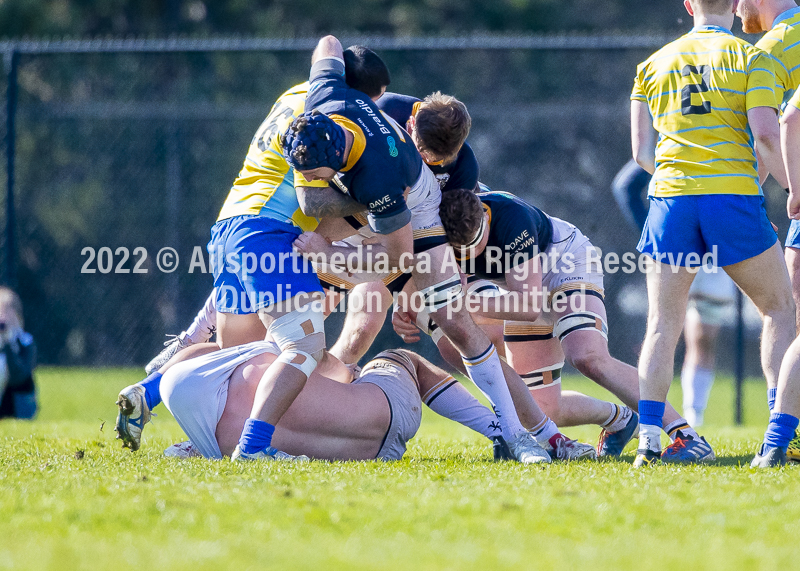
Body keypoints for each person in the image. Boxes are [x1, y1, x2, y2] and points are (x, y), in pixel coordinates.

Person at [281, 34, 554, 464]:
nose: (308, 177)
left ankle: (517, 436)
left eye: (313, 172)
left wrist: (330, 254)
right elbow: (330, 43)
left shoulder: (382, 178)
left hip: (416, 211)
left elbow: (399, 258)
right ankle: (257, 419)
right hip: (373, 201)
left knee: (454, 320)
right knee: (297, 297)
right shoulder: (328, 98)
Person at [397, 188, 706, 457]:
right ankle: (621, 419)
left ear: (485, 220)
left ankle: (685, 434)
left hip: (563, 264)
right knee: (540, 410)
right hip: (518, 286)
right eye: (458, 251)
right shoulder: (442, 221)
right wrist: (406, 303)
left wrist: (458, 299)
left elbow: (529, 307)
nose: (467, 257)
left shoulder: (512, 222)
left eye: (474, 247)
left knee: (587, 357)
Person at [630, 0, 797, 468]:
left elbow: (642, 152)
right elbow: (766, 136)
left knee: (663, 325)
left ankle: (648, 442)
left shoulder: (651, 64)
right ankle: (780, 433)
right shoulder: (753, 58)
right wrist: (793, 188)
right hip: (732, 199)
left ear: (688, 5)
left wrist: (681, 176)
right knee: (780, 310)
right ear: (736, 5)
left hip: (671, 202)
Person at [157, 342, 550, 463]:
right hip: (384, 409)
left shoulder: (214, 443)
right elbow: (331, 365)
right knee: (405, 358)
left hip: (375, 454)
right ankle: (502, 432)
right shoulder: (260, 360)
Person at [611, 159, 738, 427]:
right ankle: (661, 418)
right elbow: (626, 185)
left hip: (696, 245)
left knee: (687, 334)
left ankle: (684, 416)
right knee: (664, 330)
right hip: (694, 244)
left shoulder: (719, 134)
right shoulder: (671, 142)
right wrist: (653, 236)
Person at [0, 288, 37, 420]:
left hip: (19, 404)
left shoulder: (26, 342)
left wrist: (8, 344)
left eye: (6, 312)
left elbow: (19, 376)